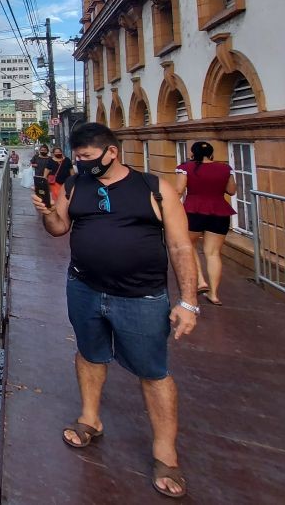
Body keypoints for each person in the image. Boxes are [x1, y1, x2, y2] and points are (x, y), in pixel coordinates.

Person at [32, 123, 198, 500]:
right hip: (85, 288)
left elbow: (181, 247)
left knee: (153, 371)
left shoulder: (154, 188)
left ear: (111, 152)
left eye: (88, 158)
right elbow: (59, 228)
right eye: (78, 158)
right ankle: (91, 419)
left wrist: (188, 301)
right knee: (90, 355)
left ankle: (165, 453)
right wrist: (45, 211)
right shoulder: (76, 185)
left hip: (141, 297)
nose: (82, 163)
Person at [174, 141, 236, 306]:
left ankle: (201, 280)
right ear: (211, 153)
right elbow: (231, 190)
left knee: (190, 245)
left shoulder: (186, 168)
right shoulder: (225, 168)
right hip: (220, 211)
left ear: (193, 154)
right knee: (213, 253)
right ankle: (214, 294)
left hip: (194, 210)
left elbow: (179, 190)